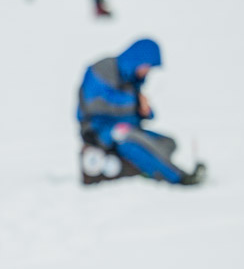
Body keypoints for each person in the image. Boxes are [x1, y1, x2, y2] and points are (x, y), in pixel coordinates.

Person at [77, 38, 205, 185]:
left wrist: (144, 111)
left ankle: (143, 168)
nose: (146, 72)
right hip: (99, 130)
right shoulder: (103, 69)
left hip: (126, 128)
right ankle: (178, 177)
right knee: (133, 141)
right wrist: (135, 102)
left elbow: (130, 110)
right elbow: (96, 103)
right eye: (146, 66)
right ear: (136, 59)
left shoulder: (131, 80)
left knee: (168, 142)